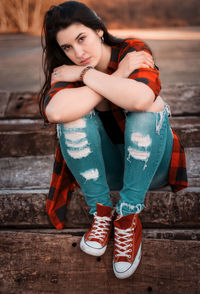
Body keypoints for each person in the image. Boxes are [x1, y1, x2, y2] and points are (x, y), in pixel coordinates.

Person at [39, 1, 188, 279]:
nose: (78, 53)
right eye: (67, 47)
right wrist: (106, 76)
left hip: (152, 168)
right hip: (104, 175)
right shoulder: (68, 69)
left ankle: (128, 216)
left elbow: (142, 97)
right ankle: (102, 212)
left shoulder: (131, 50)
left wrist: (87, 77)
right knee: (71, 116)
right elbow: (56, 111)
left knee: (149, 108)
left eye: (81, 38)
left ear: (98, 30)